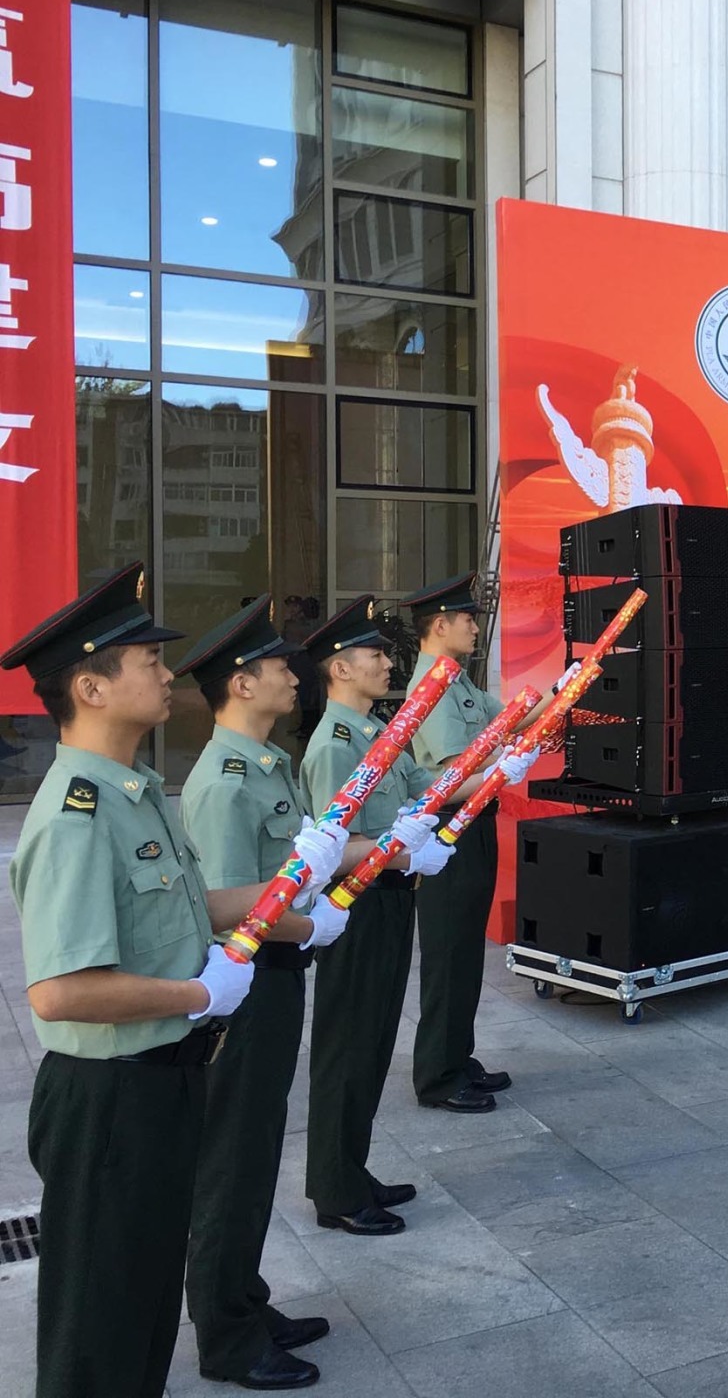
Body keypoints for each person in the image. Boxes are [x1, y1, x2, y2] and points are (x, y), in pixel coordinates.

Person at [1, 566, 332, 1398]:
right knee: (100, 1327)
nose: (162, 671)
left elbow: (195, 904)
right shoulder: (79, 812)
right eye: (144, 658)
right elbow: (61, 992)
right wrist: (198, 994)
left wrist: (300, 881)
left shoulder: (137, 792)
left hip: (160, 1083)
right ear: (90, 685)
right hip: (110, 1099)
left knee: (142, 1310)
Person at [176, 598, 375, 1391]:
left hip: (275, 978)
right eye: (278, 667)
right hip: (247, 989)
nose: (294, 675)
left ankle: (246, 1299)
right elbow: (226, 904)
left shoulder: (264, 762)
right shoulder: (225, 781)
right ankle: (225, 1333)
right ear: (240, 682)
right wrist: (306, 925)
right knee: (232, 1158)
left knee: (257, 1152)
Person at [299, 596, 464, 1236]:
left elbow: (411, 800)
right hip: (355, 907)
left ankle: (351, 1167)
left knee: (371, 1043)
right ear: (339, 668)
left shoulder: (375, 734)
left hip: (388, 897)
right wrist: (406, 849)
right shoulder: (337, 746)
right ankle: (335, 1188)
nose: (385, 662)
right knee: (348, 1045)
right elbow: (334, 847)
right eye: (372, 654)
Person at [405, 573, 540, 1117]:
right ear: (440, 625)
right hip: (447, 828)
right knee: (448, 953)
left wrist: (566, 689)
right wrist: (499, 771)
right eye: (467, 619)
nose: (475, 628)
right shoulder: (431, 688)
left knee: (466, 952)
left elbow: (506, 717)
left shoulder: (455, 680)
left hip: (473, 821)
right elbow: (444, 776)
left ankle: (458, 1056)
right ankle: (437, 1073)